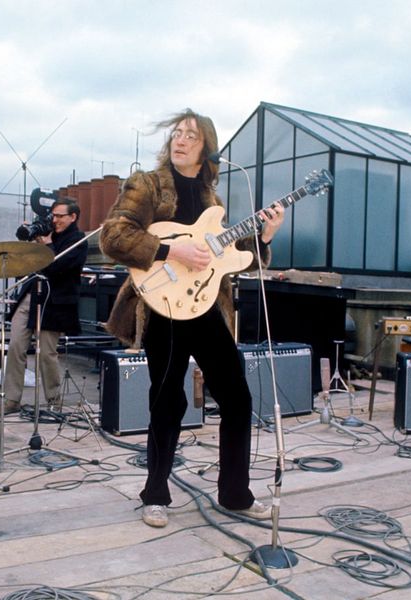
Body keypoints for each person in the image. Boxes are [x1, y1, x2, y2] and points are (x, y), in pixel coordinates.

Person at [99, 108, 284, 528]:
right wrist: (169, 250)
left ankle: (235, 493)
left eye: (191, 136)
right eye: (177, 134)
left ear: (207, 149)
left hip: (205, 305)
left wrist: (265, 238)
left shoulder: (212, 201)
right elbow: (114, 235)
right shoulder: (146, 184)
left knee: (237, 397)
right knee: (168, 401)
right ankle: (156, 494)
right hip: (161, 304)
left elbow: (230, 261)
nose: (179, 140)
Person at [0, 198, 88, 415]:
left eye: (60, 216)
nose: (55, 221)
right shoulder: (47, 233)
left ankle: (54, 401)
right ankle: (11, 400)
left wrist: (47, 245)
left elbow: (60, 266)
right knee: (15, 346)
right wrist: (30, 239)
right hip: (32, 294)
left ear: (73, 217)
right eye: (53, 216)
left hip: (55, 300)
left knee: (46, 352)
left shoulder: (78, 240)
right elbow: (27, 264)